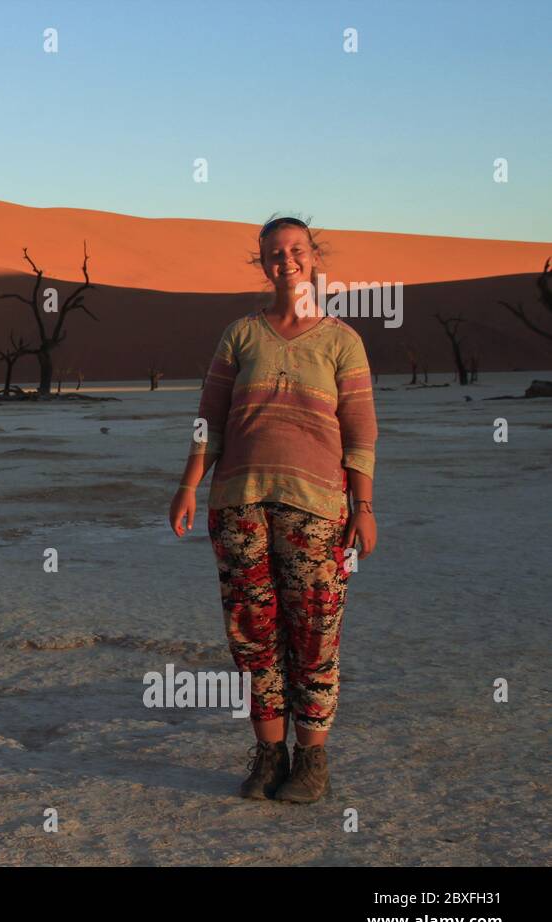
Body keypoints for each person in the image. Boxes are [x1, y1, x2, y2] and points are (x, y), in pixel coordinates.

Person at [168, 216, 378, 803]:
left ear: (313, 257)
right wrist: (187, 485)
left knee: (314, 632)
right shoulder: (240, 334)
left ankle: (312, 760)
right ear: (263, 263)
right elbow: (209, 419)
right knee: (252, 635)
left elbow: (360, 431)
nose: (286, 260)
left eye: (296, 250)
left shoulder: (342, 340)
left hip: (317, 509)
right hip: (239, 505)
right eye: (274, 253)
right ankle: (268, 756)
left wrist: (363, 505)